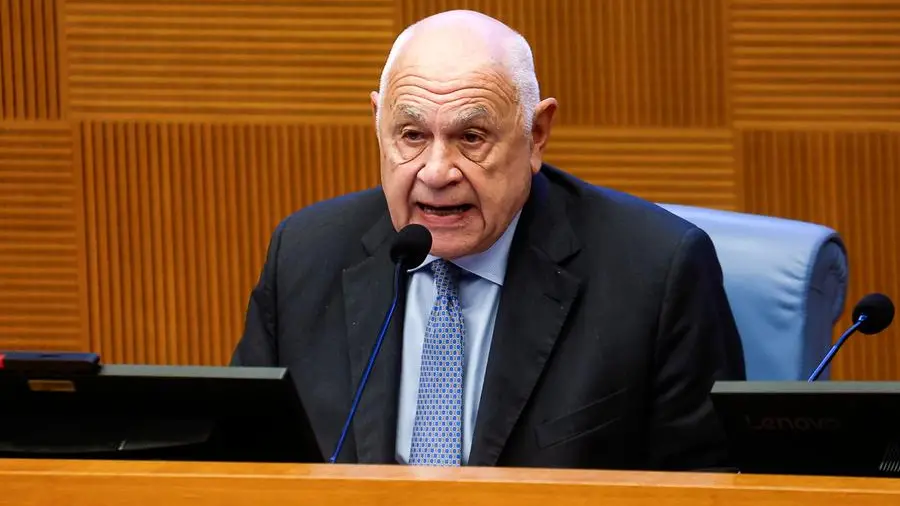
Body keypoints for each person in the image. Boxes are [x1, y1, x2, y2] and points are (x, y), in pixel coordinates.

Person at [231, 9, 746, 471]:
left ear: (536, 134)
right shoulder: (306, 254)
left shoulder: (655, 272)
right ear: (378, 123)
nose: (436, 172)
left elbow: (710, 486)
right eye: (412, 135)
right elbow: (239, 459)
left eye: (471, 138)